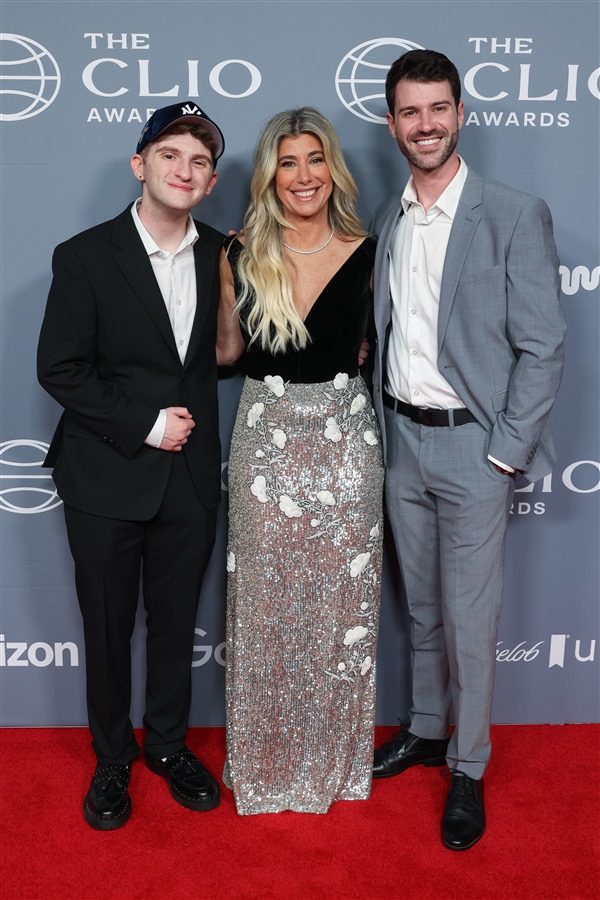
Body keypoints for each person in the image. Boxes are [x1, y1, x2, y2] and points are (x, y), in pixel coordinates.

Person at [370, 50, 566, 850]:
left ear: (460, 114)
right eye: (410, 112)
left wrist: (505, 451)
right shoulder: (388, 219)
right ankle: (425, 728)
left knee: (469, 618)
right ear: (392, 124)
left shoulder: (513, 213)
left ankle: (469, 765)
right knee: (420, 606)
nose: (426, 125)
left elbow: (543, 347)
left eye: (438, 109)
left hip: (473, 448)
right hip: (400, 440)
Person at [37, 102, 226, 830]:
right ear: (140, 164)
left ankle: (169, 746)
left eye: (200, 161)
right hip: (105, 473)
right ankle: (113, 756)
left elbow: (238, 345)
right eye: (170, 154)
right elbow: (60, 368)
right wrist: (147, 426)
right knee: (108, 627)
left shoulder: (224, 254)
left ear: (211, 183)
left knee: (176, 626)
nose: (185, 169)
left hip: (189, 479)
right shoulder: (85, 255)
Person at [217, 107, 384, 814]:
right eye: (288, 163)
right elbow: (226, 353)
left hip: (348, 447)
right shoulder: (237, 254)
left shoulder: (371, 251)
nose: (304, 175)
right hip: (266, 446)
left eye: (315, 159)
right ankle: (265, 762)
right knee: (265, 609)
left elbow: (388, 343)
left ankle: (332, 762)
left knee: (342, 610)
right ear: (270, 177)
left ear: (333, 169)